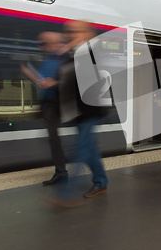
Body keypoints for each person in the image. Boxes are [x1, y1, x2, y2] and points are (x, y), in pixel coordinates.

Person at [43, 21, 108, 207]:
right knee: (89, 152)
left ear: (87, 34)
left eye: (74, 31)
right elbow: (70, 81)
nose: (69, 35)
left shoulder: (91, 53)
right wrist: (54, 83)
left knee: (79, 151)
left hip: (90, 111)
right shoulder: (72, 54)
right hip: (78, 112)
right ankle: (101, 182)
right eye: (68, 32)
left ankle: (62, 195)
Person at [36, 32, 68, 185]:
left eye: (44, 43)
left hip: (63, 103)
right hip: (49, 104)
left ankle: (98, 179)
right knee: (53, 139)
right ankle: (61, 172)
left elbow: (74, 80)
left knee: (84, 140)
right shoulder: (47, 60)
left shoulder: (67, 59)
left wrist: (55, 83)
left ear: (55, 43)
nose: (41, 46)